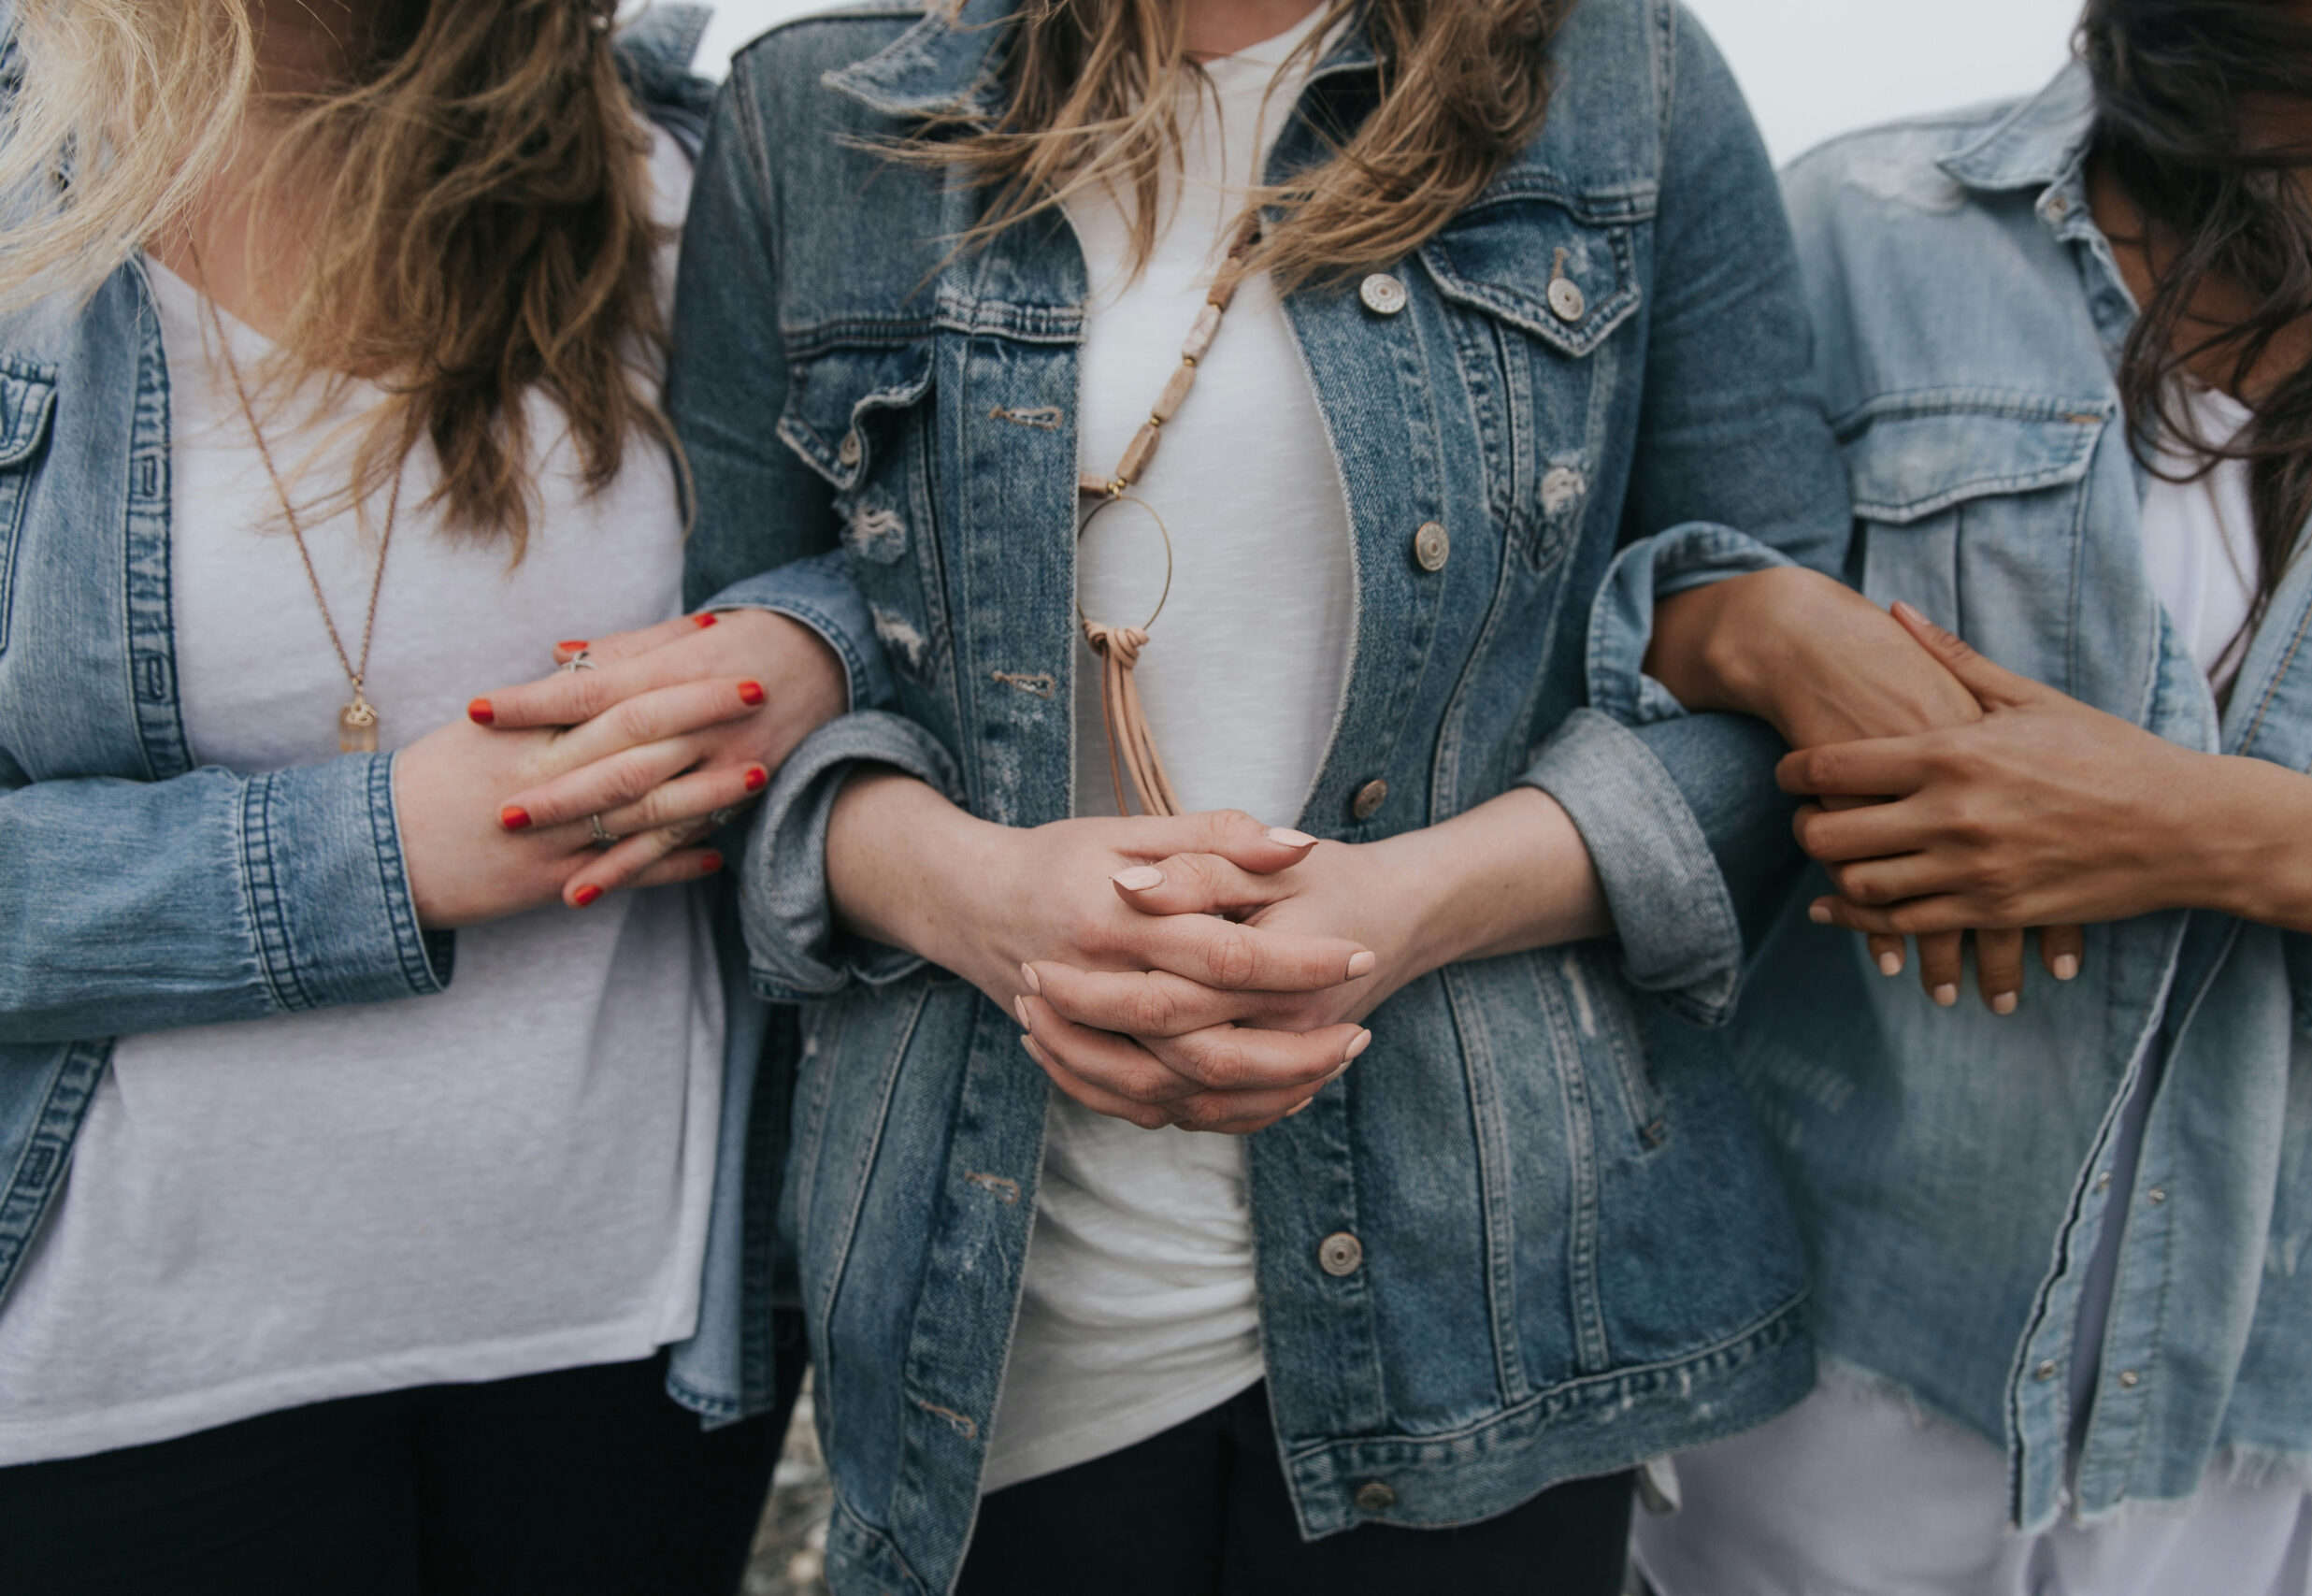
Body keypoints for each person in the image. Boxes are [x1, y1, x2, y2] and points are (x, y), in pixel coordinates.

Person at [478, 0, 2062, 1589]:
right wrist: (976, 897)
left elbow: (1757, 700)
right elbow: (746, 699)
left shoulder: (1623, 78)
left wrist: (1410, 907)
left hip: (1495, 1304)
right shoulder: (817, 113)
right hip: (999, 1317)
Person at [0, 4, 878, 1590]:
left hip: (633, 1336)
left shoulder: (698, 163)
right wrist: (377, 855)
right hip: (126, 1375)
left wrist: (811, 642)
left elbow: (946, 552)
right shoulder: (28, 206)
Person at [1631, 1, 2312, 1591]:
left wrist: (2184, 827)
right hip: (1830, 1359)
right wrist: (1761, 623)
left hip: (2291, 1412)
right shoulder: (1869, 228)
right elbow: (1599, 642)